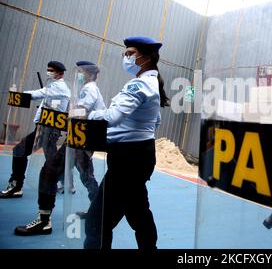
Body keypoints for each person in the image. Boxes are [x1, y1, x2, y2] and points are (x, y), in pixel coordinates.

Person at [84, 37, 169, 250]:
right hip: (138, 155)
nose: (126, 57)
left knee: (97, 222)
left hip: (127, 160)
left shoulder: (140, 84)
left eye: (130, 53)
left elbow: (113, 116)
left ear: (146, 57)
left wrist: (86, 114)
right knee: (138, 211)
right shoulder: (152, 83)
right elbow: (156, 121)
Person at [14, 61, 105, 235]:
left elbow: (82, 111)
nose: (78, 75)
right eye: (77, 71)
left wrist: (62, 116)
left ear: (91, 75)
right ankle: (97, 208)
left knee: (50, 171)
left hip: (82, 138)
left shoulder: (90, 88)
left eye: (81, 72)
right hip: (81, 137)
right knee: (86, 175)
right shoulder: (86, 88)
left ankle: (44, 220)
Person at [0, 61, 71, 198]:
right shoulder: (54, 86)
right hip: (44, 127)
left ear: (60, 73)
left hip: (48, 129)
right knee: (51, 159)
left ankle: (16, 186)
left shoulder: (58, 87)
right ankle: (63, 183)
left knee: (20, 151)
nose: (48, 72)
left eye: (52, 70)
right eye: (48, 69)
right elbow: (45, 97)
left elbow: (37, 94)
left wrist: (19, 95)